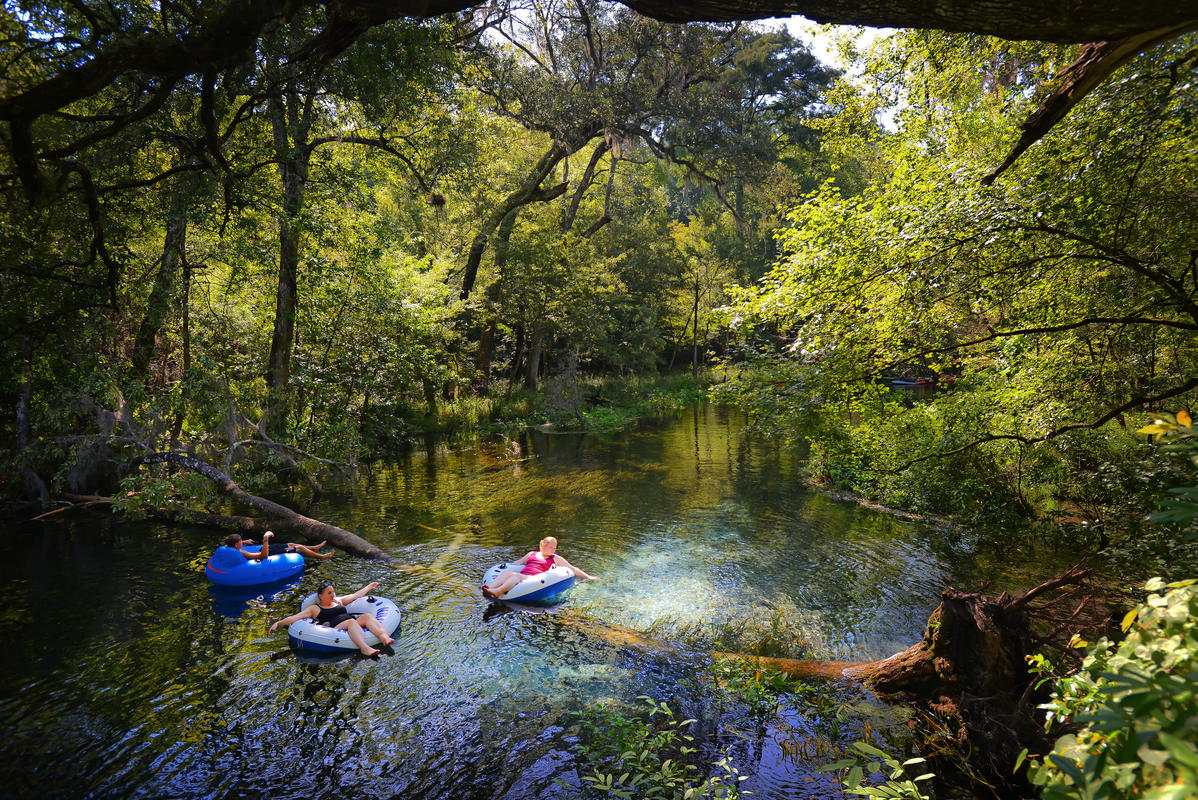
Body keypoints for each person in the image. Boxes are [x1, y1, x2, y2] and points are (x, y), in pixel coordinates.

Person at [269, 581, 394, 656]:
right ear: (320, 596)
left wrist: (369, 587)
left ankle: (384, 638)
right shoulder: (315, 609)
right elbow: (296, 617)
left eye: (333, 592)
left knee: (367, 616)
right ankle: (364, 648)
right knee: (351, 622)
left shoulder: (338, 601)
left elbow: (355, 595)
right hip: (336, 627)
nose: (332, 595)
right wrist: (278, 623)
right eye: (329, 593)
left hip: (351, 622)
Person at [482, 536, 597, 599]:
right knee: (507, 573)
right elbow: (517, 563)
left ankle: (497, 591)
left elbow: (572, 568)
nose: (553, 550)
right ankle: (490, 588)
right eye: (551, 547)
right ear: (543, 545)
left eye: (555, 547)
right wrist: (505, 568)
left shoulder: (555, 558)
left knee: (515, 576)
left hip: (532, 578)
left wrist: (588, 577)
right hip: (522, 575)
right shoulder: (531, 554)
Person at [224, 531, 333, 560]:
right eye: (240, 542)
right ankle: (322, 556)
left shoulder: (229, 547)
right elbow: (263, 556)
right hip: (268, 553)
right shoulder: (242, 552)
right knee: (299, 548)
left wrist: (244, 542)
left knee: (290, 544)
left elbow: (227, 543)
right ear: (236, 545)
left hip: (265, 549)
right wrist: (265, 538)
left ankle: (315, 548)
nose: (241, 542)